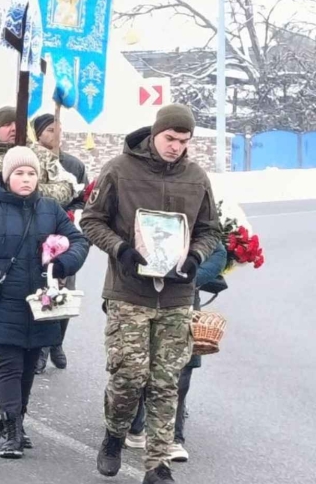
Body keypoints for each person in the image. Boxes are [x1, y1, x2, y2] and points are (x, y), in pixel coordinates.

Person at [82, 104, 222, 484]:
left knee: (166, 380)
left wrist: (195, 256)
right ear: (155, 134)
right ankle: (114, 433)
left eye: (184, 141)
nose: (176, 147)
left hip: (176, 295)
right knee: (129, 376)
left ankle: (157, 465)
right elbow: (91, 220)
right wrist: (121, 250)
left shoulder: (196, 178)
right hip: (129, 291)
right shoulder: (119, 169)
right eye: (170, 139)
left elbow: (211, 229)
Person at [0, 146, 90, 459]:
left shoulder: (50, 209)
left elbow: (79, 241)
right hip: (2, 302)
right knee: (9, 366)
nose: (25, 179)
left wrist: (63, 264)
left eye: (31, 173)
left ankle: (16, 421)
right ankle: (11, 428)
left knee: (29, 366)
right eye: (19, 173)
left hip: (42, 304)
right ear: (6, 176)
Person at [0, 106, 76, 396]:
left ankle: (47, 350)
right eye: (6, 124)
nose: (12, 129)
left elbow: (68, 186)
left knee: (34, 336)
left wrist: (34, 193)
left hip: (41, 244)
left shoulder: (40, 155)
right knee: (3, 344)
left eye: (17, 123)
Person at [126, 243, 226, 462]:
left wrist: (190, 278)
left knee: (181, 370)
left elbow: (217, 251)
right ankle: (135, 425)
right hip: (141, 297)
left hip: (183, 301)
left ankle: (174, 439)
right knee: (140, 365)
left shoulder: (196, 212)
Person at [33, 112, 90, 372]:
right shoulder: (32, 161)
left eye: (58, 129)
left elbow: (84, 197)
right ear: (38, 135)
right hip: (38, 235)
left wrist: (73, 213)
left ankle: (57, 342)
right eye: (49, 131)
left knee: (66, 291)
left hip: (65, 234)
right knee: (44, 288)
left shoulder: (73, 165)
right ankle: (41, 347)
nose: (55, 135)